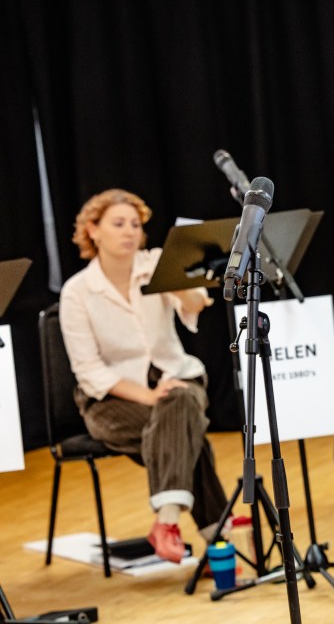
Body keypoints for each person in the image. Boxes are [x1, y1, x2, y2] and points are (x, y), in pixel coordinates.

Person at [59, 188, 230, 564]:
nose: (129, 232)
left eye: (135, 225)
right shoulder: (77, 292)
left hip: (179, 382)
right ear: (93, 230)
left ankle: (168, 519)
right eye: (118, 224)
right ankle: (222, 543)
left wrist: (176, 277)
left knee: (181, 400)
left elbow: (196, 305)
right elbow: (89, 371)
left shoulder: (155, 264)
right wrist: (149, 396)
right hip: (113, 401)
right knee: (187, 434)